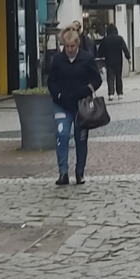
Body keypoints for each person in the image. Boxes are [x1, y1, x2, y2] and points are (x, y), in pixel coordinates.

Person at [47, 27, 103, 186]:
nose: (69, 49)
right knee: (62, 135)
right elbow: (51, 81)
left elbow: (97, 80)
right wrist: (57, 94)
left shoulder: (87, 58)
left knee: (81, 138)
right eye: (67, 46)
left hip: (82, 106)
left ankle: (80, 172)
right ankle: (63, 172)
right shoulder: (58, 60)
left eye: (72, 46)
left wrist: (86, 90)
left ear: (78, 45)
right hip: (62, 104)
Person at [96, 23, 131, 101]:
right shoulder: (119, 38)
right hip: (118, 61)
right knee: (119, 77)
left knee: (110, 78)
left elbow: (100, 51)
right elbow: (124, 48)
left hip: (109, 61)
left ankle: (111, 94)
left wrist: (100, 58)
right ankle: (120, 93)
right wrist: (128, 57)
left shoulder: (105, 39)